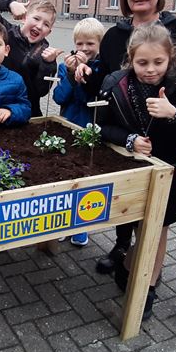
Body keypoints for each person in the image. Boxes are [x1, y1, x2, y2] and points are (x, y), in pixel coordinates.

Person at [74, 0, 176, 275]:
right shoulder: (115, 35)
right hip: (126, 130)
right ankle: (122, 246)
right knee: (125, 196)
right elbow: (108, 80)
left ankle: (145, 273)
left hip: (167, 132)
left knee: (157, 214)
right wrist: (87, 71)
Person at [97, 24, 176, 319]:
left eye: (158, 62)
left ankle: (148, 287)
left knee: (157, 227)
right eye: (142, 63)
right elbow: (100, 125)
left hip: (171, 172)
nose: (150, 70)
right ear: (130, 58)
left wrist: (174, 113)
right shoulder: (116, 83)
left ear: (171, 59)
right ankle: (129, 264)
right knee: (140, 227)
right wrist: (129, 140)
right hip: (132, 169)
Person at [52, 18, 106, 247]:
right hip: (67, 125)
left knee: (86, 178)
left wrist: (85, 78)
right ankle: (61, 222)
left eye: (90, 44)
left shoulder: (102, 68)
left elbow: (90, 98)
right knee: (63, 174)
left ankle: (81, 224)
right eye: (80, 44)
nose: (84, 49)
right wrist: (70, 75)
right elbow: (58, 98)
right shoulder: (66, 66)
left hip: (89, 129)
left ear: (100, 45)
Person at [0, 0, 62, 117]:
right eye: (36, 19)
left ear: (49, 32)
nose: (39, 26)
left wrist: (49, 64)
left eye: (46, 24)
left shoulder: (45, 53)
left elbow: (40, 91)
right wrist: (10, 3)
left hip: (26, 112)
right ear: (24, 18)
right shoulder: (4, 31)